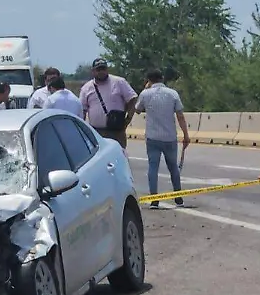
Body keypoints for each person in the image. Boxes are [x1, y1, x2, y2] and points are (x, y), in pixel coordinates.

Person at [136, 69, 190, 208]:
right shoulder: (173, 93)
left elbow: (137, 109)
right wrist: (186, 134)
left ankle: (154, 198)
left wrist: (145, 89)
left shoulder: (145, 94)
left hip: (152, 137)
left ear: (149, 80)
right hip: (170, 137)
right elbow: (180, 116)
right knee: (173, 168)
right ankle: (178, 197)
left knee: (153, 167)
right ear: (162, 78)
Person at [79, 58, 137, 149]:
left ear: (107, 69)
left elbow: (132, 99)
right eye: (98, 69)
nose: (101, 72)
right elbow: (82, 110)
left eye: (103, 69)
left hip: (117, 132)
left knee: (119, 157)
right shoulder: (86, 88)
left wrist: (127, 120)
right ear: (93, 71)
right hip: (96, 132)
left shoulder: (119, 82)